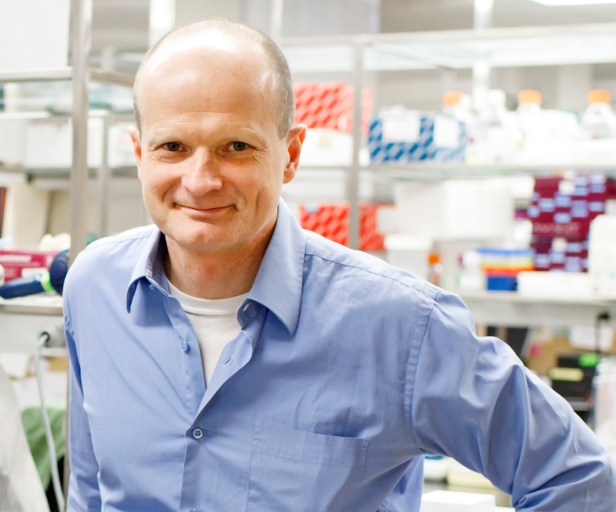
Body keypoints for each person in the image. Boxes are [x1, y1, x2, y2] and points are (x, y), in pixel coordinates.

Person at [63, 18, 616, 511]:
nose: (202, 180)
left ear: (292, 155)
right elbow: (90, 492)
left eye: (237, 146)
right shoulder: (94, 289)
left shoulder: (401, 325)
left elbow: (581, 481)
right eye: (173, 147)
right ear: (138, 153)